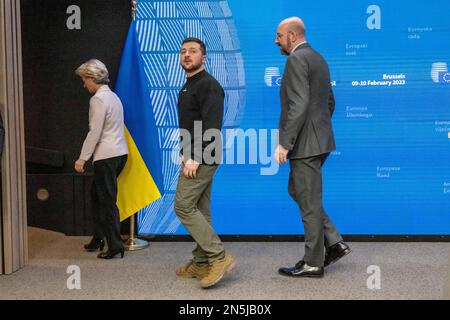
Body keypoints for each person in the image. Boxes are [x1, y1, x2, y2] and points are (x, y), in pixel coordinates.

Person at [274, 17, 350, 277]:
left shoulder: (295, 59)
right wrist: (319, 130)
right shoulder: (318, 57)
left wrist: (285, 142)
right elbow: (329, 102)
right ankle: (334, 241)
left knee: (307, 202)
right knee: (299, 191)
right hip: (320, 140)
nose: (276, 40)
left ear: (292, 36)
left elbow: (298, 104)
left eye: (279, 35)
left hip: (306, 144)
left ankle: (313, 262)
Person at [174, 37, 235, 288]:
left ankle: (218, 256)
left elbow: (212, 127)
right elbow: (191, 124)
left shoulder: (208, 85)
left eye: (193, 51)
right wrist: (183, 151)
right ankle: (201, 262)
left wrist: (195, 157)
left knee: (183, 206)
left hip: (203, 156)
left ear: (204, 57)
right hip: (194, 154)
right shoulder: (190, 85)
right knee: (200, 209)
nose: (187, 55)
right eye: (184, 51)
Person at [74, 59, 128, 259]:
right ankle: (98, 238)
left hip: (105, 156)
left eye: (84, 80)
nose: (84, 84)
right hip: (120, 153)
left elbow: (94, 132)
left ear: (92, 78)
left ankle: (115, 245)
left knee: (106, 201)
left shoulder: (97, 99)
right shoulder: (113, 97)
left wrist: (82, 159)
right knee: (97, 196)